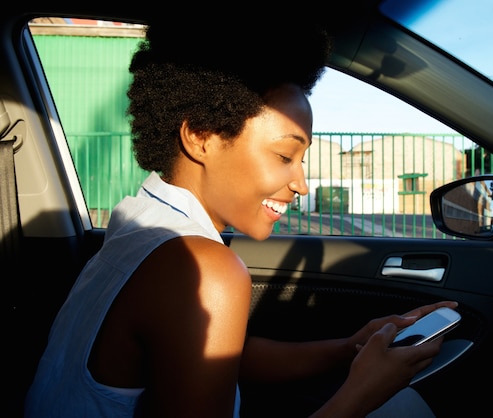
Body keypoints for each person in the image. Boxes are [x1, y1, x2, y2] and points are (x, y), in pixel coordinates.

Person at [25, 7, 458, 418]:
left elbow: (228, 356)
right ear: (201, 135)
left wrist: (349, 348)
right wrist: (362, 394)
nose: (302, 185)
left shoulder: (136, 223)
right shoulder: (205, 268)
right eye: (286, 155)